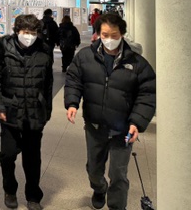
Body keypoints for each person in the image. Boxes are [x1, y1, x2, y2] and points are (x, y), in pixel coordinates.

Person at [64, 13, 156, 210]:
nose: (109, 40)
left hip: (123, 130)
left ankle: (116, 206)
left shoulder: (137, 63)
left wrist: (137, 122)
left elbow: (147, 93)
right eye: (105, 35)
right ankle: (99, 188)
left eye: (114, 35)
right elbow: (74, 80)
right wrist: (72, 103)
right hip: (94, 126)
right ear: (98, 33)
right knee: (93, 169)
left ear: (122, 34)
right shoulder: (85, 56)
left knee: (118, 174)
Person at [0, 14, 54, 210]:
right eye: (26, 32)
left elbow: (48, 84)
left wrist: (46, 110)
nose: (29, 36)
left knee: (32, 158)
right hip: (10, 111)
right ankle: (9, 190)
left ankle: (33, 196)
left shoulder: (44, 51)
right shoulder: (3, 50)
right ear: (17, 31)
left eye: (33, 33)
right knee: (8, 154)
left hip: (34, 113)